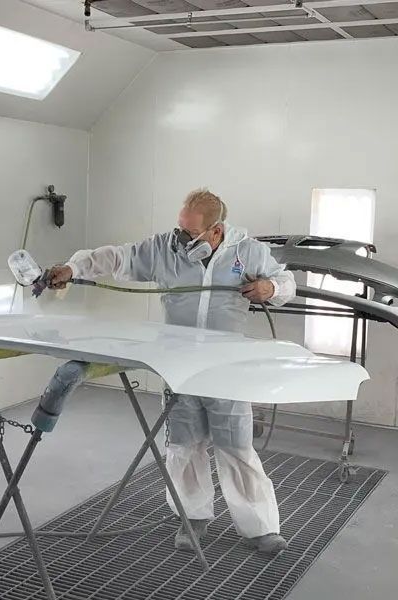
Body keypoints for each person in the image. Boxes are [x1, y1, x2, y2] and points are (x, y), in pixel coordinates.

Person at [46, 189, 296, 555]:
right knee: (184, 446)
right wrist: (73, 268)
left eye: (190, 233)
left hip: (226, 367)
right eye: (180, 228)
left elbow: (287, 283)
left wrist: (270, 287)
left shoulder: (248, 252)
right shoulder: (165, 249)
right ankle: (192, 516)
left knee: (236, 447)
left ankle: (261, 528)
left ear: (216, 231)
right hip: (179, 365)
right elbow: (117, 257)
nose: (181, 238)